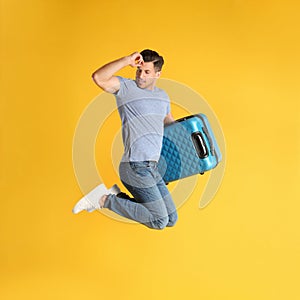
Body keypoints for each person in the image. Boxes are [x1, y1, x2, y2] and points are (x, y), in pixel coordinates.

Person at [72, 49, 178, 230]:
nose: (141, 76)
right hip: (134, 166)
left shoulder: (162, 96)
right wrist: (127, 60)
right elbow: (98, 77)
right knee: (159, 220)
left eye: (147, 72)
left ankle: (117, 197)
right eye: (139, 70)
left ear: (157, 74)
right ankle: (103, 199)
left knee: (170, 218)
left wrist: (190, 137)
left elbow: (168, 122)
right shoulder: (127, 88)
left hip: (153, 167)